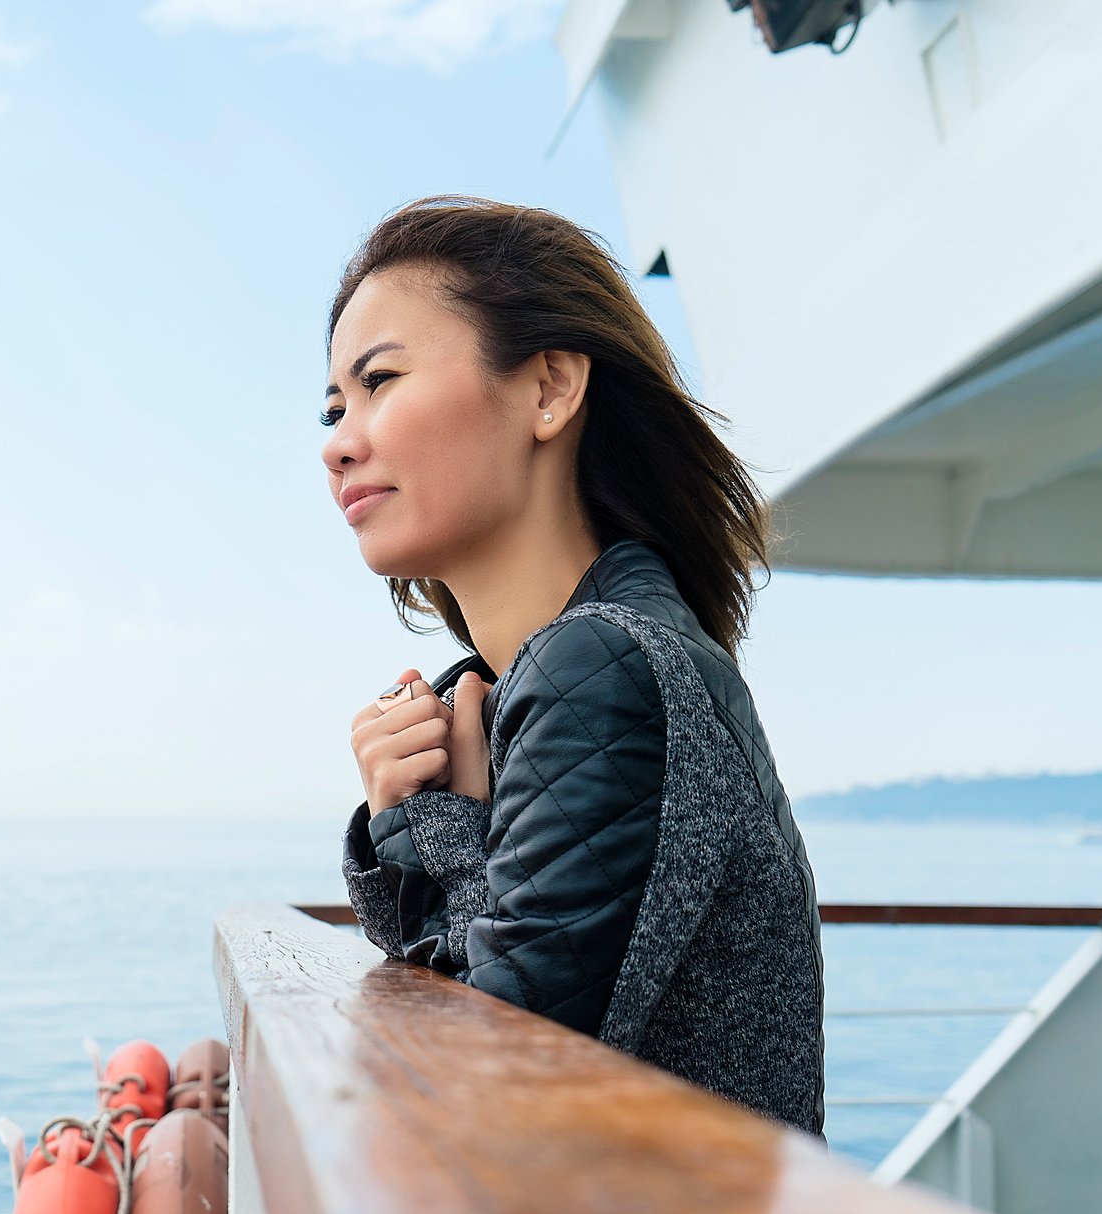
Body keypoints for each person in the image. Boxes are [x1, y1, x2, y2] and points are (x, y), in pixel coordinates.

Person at [329, 196, 824, 1136]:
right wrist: (408, 815)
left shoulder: (602, 666)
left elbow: (487, 1080)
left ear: (550, 388)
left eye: (380, 381)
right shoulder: (591, 660)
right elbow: (470, 972)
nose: (338, 441)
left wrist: (433, 822)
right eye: (334, 406)